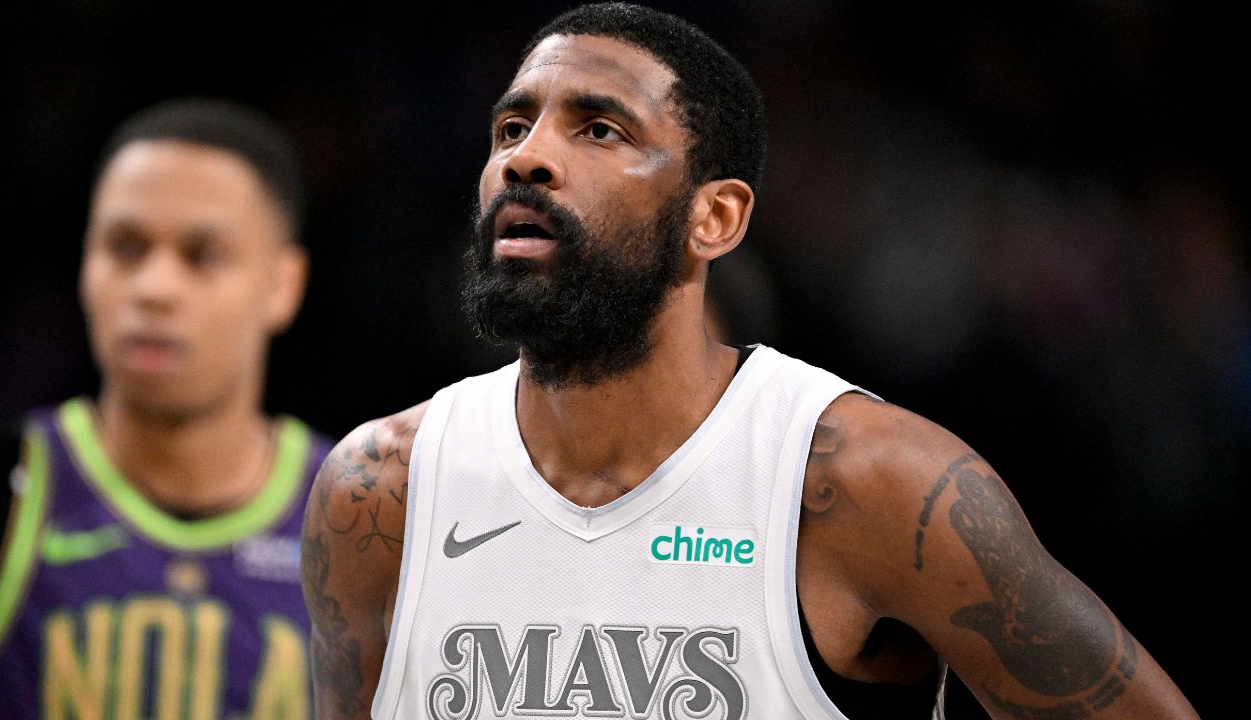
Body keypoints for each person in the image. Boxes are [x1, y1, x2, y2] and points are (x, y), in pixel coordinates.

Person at [301, 4, 1200, 719]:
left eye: (600, 129)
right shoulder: (381, 489)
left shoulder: (872, 485)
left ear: (716, 218)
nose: (526, 158)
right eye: (509, 129)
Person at [0, 97, 333, 719]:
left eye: (202, 255)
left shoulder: (367, 517)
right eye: (125, 246)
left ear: (283, 285)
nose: (153, 289)